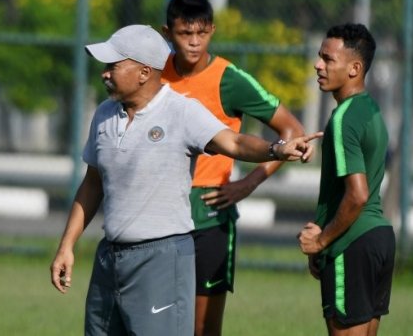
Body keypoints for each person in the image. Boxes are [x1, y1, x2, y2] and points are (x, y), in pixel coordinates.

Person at [49, 24, 321, 336]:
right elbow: (92, 183)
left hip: (161, 260)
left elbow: (233, 143)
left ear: (143, 72)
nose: (104, 73)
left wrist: (275, 149)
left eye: (114, 65)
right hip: (109, 258)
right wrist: (66, 245)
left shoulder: (181, 111)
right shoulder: (104, 115)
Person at [161, 0, 306, 336]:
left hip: (210, 211)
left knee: (202, 327)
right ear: (168, 33)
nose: (194, 43)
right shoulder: (152, 75)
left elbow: (292, 130)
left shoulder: (229, 78)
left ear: (211, 29)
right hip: (161, 209)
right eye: (184, 34)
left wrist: (248, 183)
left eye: (202, 33)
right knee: (158, 319)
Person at [297, 23, 395, 336]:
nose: (318, 65)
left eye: (328, 59)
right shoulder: (369, 109)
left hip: (351, 245)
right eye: (319, 57)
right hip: (379, 239)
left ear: (354, 68)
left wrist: (322, 241)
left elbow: (357, 195)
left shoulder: (343, 119)